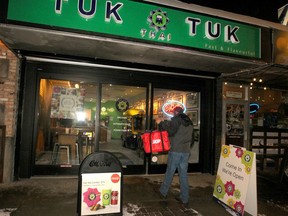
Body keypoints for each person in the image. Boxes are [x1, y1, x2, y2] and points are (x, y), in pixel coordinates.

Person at [156, 106, 194, 207]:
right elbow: (192, 139)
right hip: (186, 151)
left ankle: (163, 192)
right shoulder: (190, 122)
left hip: (176, 151)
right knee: (183, 175)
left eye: (173, 112)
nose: (173, 114)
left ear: (176, 112)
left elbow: (170, 131)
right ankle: (184, 198)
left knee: (170, 172)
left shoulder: (177, 120)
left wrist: (160, 122)